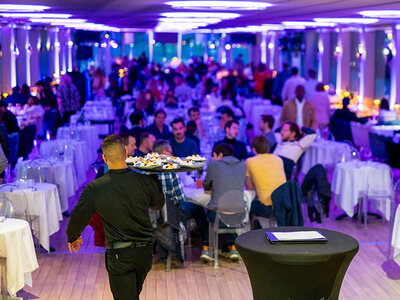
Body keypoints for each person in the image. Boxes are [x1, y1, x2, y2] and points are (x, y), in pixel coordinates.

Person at [66, 134, 164, 300]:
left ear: (104, 158)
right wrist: (153, 174)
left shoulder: (95, 188)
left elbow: (78, 216)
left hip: (120, 255)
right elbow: (158, 204)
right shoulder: (144, 180)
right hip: (146, 253)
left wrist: (72, 237)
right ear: (126, 152)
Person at [152, 140, 210, 262]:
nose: (172, 154)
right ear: (164, 152)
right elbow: (180, 198)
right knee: (199, 209)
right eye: (170, 152)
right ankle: (207, 245)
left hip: (154, 214)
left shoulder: (148, 170)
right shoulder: (170, 170)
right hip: (171, 213)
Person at [202, 143, 246, 261]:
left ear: (220, 155)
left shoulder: (213, 165)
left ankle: (206, 248)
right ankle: (233, 247)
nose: (213, 159)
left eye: (214, 156)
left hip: (217, 216)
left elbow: (205, 185)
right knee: (231, 208)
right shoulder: (242, 165)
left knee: (206, 212)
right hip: (239, 214)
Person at [245, 135, 286, 227]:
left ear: (254, 149)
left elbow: (250, 187)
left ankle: (252, 236)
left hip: (268, 209)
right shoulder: (278, 159)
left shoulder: (250, 161)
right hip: (284, 206)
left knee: (246, 205)